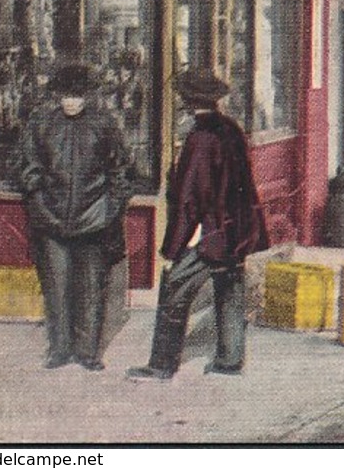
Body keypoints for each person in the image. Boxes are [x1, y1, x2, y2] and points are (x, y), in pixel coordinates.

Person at [128, 68, 268, 381]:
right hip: (238, 228)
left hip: (212, 231)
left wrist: (173, 246)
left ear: (189, 103)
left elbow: (191, 198)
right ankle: (230, 360)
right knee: (230, 288)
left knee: (176, 289)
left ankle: (162, 364)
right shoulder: (232, 129)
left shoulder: (199, 139)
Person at [18, 62, 133, 371]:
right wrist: (39, 202)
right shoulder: (41, 123)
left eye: (77, 96)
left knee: (91, 289)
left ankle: (88, 352)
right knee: (57, 289)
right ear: (57, 96)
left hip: (94, 220)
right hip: (51, 221)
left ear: (87, 96)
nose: (71, 102)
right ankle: (59, 349)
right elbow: (28, 168)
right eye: (66, 96)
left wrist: (109, 210)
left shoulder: (104, 124)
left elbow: (120, 170)